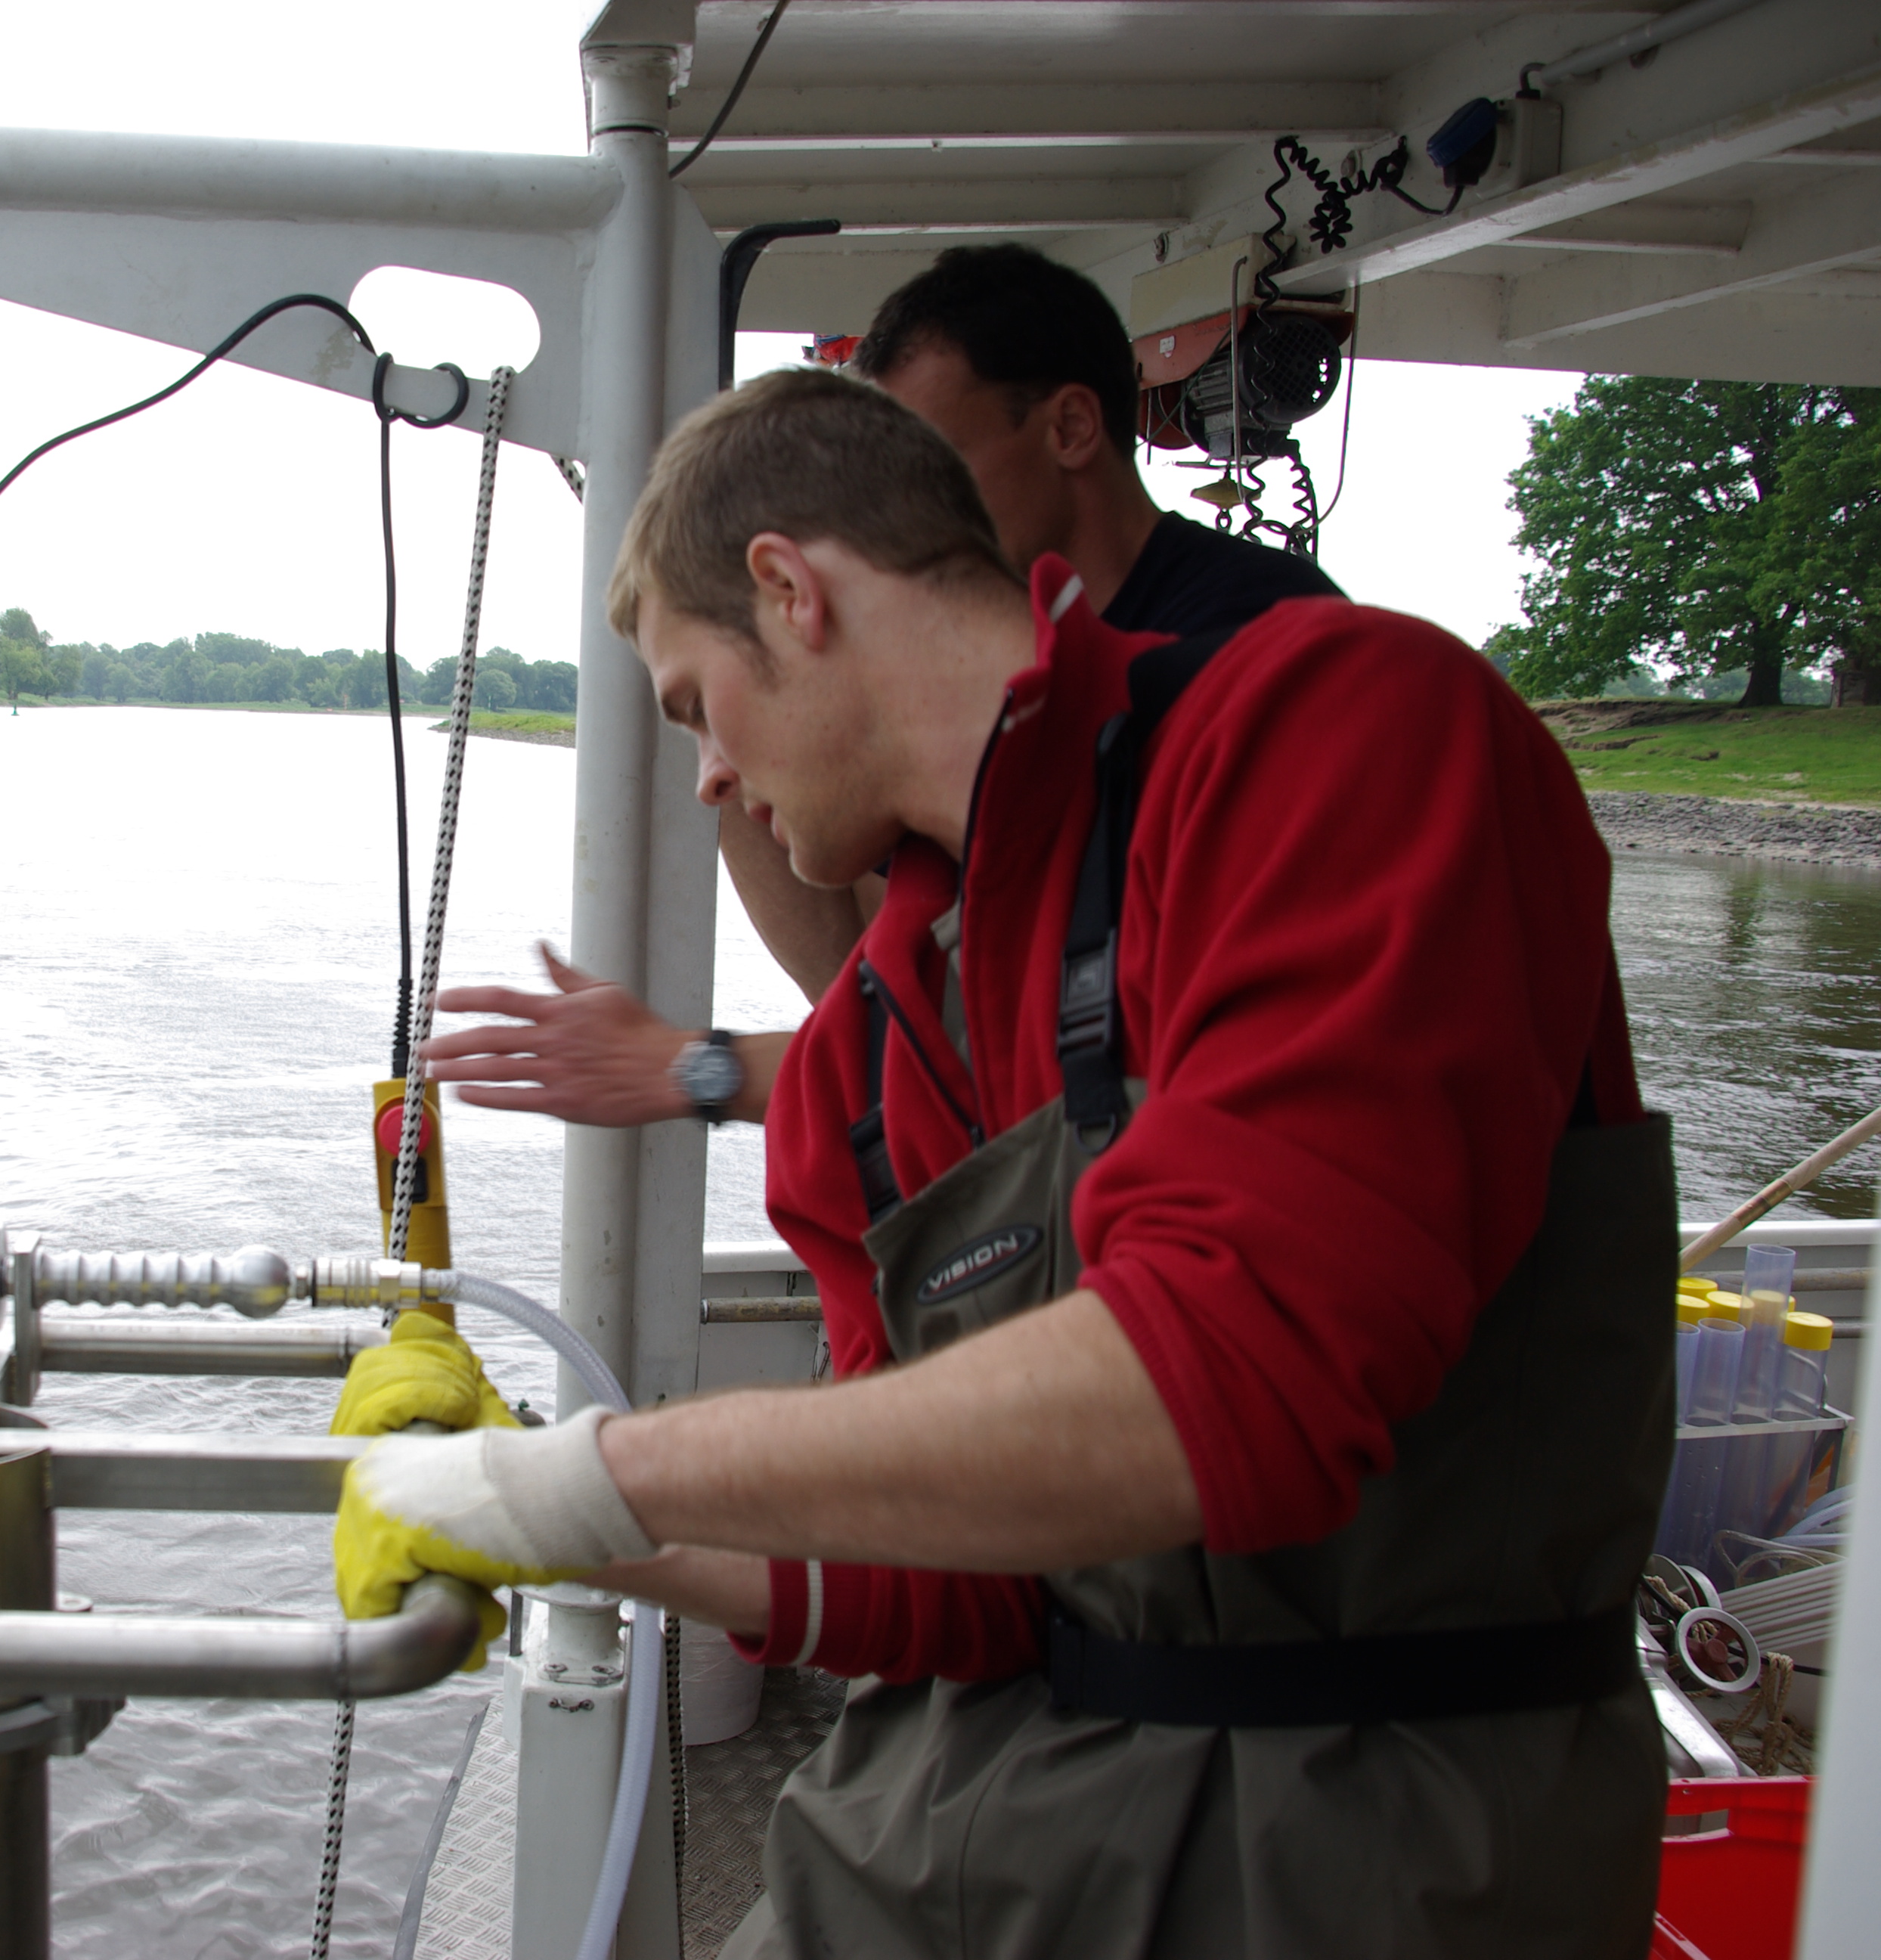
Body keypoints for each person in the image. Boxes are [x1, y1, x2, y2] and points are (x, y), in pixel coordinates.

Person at [330, 368, 1672, 1954]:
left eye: (696, 704)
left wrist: (586, 1477)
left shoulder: (1337, 728)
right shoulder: (866, 1055)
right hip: (974, 1805)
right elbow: (954, 1590)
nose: (704, 776)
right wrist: (533, 1513)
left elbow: (1236, 1378)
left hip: (1378, 1831)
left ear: (788, 589)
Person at [419, 243, 1340, 1132]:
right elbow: (933, 1054)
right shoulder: (945, 822)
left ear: (1066, 428)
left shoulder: (1283, 686)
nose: (893, 492)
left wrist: (689, 1066)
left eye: (926, 455)